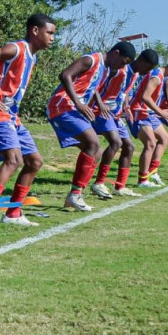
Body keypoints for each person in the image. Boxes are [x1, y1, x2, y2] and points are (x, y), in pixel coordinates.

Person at [0, 14, 58, 238]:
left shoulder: (32, 57)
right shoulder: (16, 49)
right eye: (50, 32)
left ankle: (14, 212)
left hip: (11, 115)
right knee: (14, 159)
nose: (53, 38)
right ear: (35, 31)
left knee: (35, 161)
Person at [47, 42, 137, 211]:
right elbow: (65, 75)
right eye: (123, 62)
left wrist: (96, 102)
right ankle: (75, 194)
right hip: (62, 106)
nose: (122, 67)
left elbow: (93, 87)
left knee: (95, 153)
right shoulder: (91, 59)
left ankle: (76, 195)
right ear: (115, 53)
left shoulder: (106, 68)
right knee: (94, 143)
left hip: (73, 109)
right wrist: (79, 103)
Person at [89, 48, 158, 199]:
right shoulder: (118, 70)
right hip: (102, 111)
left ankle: (120, 186)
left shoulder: (135, 75)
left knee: (129, 146)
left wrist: (126, 107)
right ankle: (99, 182)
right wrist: (99, 103)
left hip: (116, 114)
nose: (149, 72)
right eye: (149, 68)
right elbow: (94, 85)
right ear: (142, 62)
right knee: (115, 142)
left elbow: (124, 93)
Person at [128, 55, 168, 189]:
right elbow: (145, 96)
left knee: (164, 139)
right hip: (139, 111)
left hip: (149, 113)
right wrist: (161, 112)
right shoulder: (157, 75)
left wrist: (159, 110)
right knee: (150, 144)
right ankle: (142, 179)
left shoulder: (162, 76)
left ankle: (153, 172)